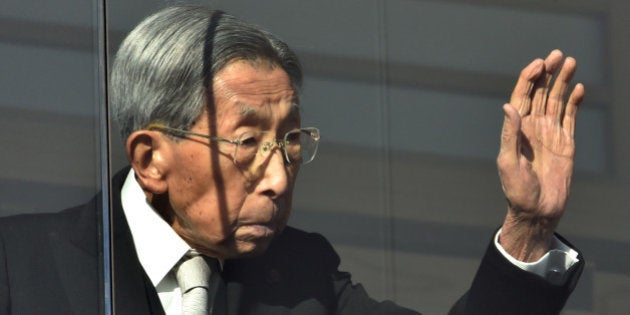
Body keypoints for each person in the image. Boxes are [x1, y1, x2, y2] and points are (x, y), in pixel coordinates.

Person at [0, 4, 585, 315]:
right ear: (151, 158)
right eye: (248, 143)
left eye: (290, 142)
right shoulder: (17, 268)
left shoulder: (303, 279)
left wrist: (529, 228)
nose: (278, 178)